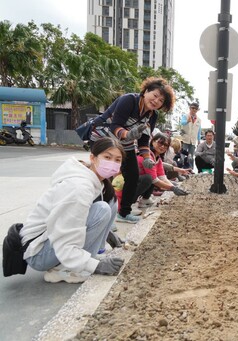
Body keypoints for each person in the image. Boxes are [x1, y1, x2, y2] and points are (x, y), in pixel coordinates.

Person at [18, 137, 125, 283]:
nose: (112, 163)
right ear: (93, 158)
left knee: (110, 201)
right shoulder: (78, 188)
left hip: (51, 243)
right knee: (102, 209)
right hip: (38, 253)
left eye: (117, 160)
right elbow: (64, 242)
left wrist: (106, 233)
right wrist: (95, 266)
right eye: (107, 157)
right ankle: (63, 270)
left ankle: (87, 257)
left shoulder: (96, 181)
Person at [91, 77, 175, 224]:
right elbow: (115, 125)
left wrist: (147, 157)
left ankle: (123, 213)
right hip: (106, 137)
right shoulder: (129, 100)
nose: (156, 101)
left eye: (161, 101)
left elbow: (144, 139)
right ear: (145, 91)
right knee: (104, 174)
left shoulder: (153, 115)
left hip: (127, 143)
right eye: (155, 95)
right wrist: (127, 135)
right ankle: (95, 217)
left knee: (133, 175)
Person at [137, 133, 188, 200]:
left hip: (139, 181)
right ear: (152, 142)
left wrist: (175, 188)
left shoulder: (157, 158)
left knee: (152, 177)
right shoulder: (148, 157)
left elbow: (162, 177)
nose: (162, 146)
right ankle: (129, 204)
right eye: (160, 143)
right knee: (149, 178)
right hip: (128, 184)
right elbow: (155, 180)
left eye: (166, 145)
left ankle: (145, 199)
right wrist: (173, 188)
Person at [180, 102, 201, 171]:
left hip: (193, 140)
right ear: (190, 108)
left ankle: (190, 169)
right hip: (185, 139)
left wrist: (199, 140)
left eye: (196, 109)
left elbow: (199, 130)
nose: (194, 110)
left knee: (191, 156)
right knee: (183, 155)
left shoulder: (199, 119)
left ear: (197, 110)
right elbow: (182, 123)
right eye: (193, 108)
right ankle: (182, 168)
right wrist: (187, 121)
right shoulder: (185, 116)